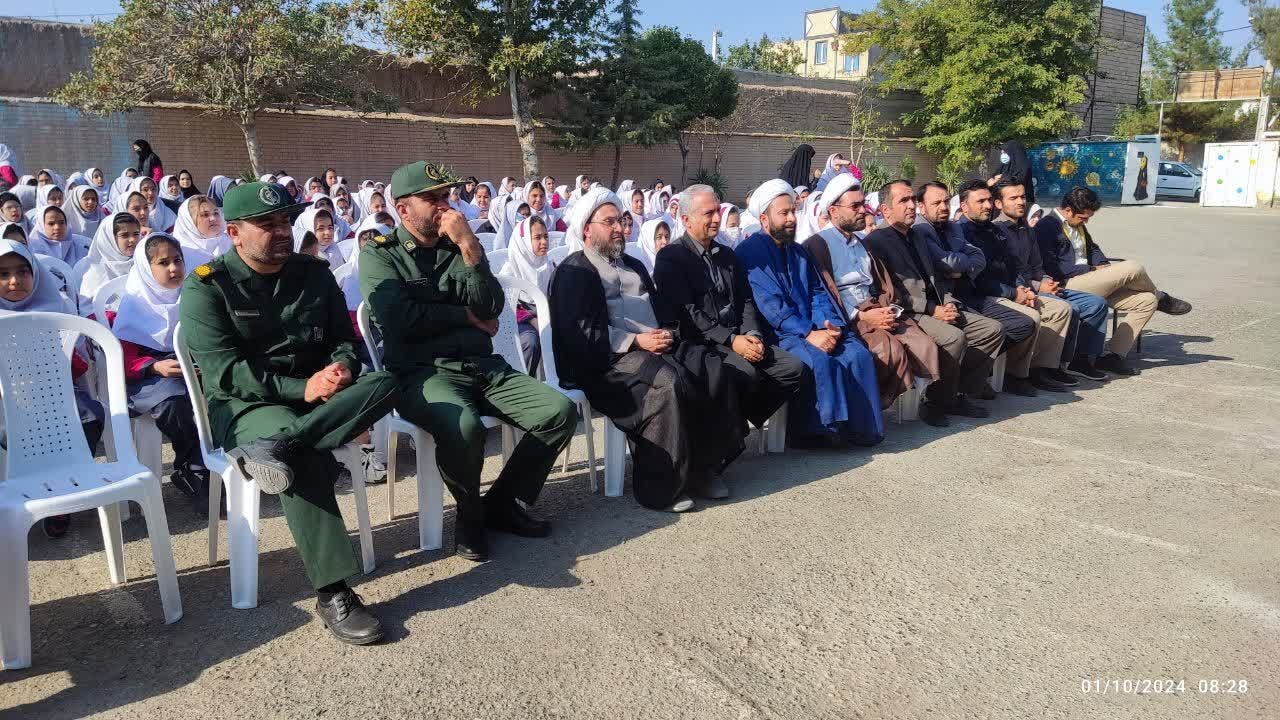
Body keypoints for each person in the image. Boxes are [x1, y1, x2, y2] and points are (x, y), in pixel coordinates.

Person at [180, 181, 399, 645]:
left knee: (387, 383)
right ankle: (333, 591)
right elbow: (225, 373)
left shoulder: (313, 273)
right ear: (235, 233)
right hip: (248, 407)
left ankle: (278, 448)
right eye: (267, 225)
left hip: (317, 396)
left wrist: (340, 367)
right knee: (304, 463)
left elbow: (345, 337)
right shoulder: (206, 287)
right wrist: (304, 387)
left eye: (284, 222)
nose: (280, 232)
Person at [360, 161, 576, 561]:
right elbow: (398, 320)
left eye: (446, 196)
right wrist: (463, 315)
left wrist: (471, 248)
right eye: (433, 198)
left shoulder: (460, 245)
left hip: (482, 366)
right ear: (402, 208)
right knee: (464, 426)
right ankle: (469, 516)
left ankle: (501, 503)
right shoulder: (380, 255)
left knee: (559, 411)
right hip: (423, 373)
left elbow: (493, 305)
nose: (445, 206)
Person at [550, 189, 738, 511]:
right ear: (586, 229)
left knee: (711, 366)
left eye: (620, 221)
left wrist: (667, 332)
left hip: (655, 346)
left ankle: (703, 469)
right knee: (668, 381)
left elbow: (661, 308)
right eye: (609, 222)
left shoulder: (635, 265)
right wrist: (637, 341)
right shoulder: (574, 272)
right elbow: (582, 335)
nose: (619, 228)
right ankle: (661, 486)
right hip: (606, 363)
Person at [653, 184, 808, 496]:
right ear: (685, 219)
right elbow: (689, 316)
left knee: (793, 369)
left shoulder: (727, 255)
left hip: (737, 339)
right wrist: (731, 341)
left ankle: (732, 427)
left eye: (717, 211)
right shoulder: (672, 258)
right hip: (696, 344)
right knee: (741, 373)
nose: (715, 219)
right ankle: (708, 464)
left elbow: (746, 302)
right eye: (707, 213)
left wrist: (750, 334)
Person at [736, 180, 884, 447]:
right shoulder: (750, 253)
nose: (792, 218)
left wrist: (829, 325)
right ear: (764, 219)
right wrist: (808, 333)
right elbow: (771, 307)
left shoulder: (798, 251)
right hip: (779, 333)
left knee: (856, 353)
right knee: (818, 359)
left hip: (813, 327)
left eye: (793, 211)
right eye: (784, 213)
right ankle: (816, 431)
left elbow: (817, 292)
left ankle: (860, 429)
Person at [862, 181, 1003, 425]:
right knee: (954, 338)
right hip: (909, 312)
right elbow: (890, 293)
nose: (911, 206)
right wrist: (932, 309)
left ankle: (958, 391)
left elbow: (937, 277)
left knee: (992, 330)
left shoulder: (918, 234)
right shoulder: (877, 241)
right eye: (903, 201)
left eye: (911, 200)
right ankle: (935, 402)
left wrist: (948, 303)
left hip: (939, 304)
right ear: (885, 211)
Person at [802, 173, 942, 410]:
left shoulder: (862, 242)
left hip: (876, 308)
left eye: (863, 204)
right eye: (855, 206)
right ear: (834, 211)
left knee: (923, 344)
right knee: (890, 348)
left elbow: (882, 285)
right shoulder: (817, 245)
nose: (862, 211)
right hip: (846, 317)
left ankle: (916, 406)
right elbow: (823, 295)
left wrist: (886, 310)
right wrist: (862, 316)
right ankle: (871, 410)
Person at [0, 239, 106, 537]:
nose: (14, 281)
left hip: (56, 392)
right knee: (17, 432)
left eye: (23, 271)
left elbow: (74, 362)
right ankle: (34, 494)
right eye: (3, 273)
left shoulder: (54, 306)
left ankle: (61, 497)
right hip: (8, 403)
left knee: (90, 415)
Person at [1035, 186, 1192, 377]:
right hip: (1068, 283)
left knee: (1147, 301)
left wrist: (1103, 265)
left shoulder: (1077, 224)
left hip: (1092, 282)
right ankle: (1161, 296)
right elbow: (1053, 268)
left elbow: (1092, 249)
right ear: (1068, 210)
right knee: (1133, 267)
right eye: (1084, 217)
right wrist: (1093, 270)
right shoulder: (1046, 226)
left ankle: (1112, 356)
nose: (1086, 221)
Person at [111, 232, 210, 513]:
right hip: (148, 378)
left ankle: (209, 466)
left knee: (216, 394)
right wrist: (155, 366)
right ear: (146, 267)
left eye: (178, 260)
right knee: (175, 402)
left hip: (189, 366)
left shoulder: (192, 293)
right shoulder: (134, 303)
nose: (174, 268)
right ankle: (193, 467)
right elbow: (123, 357)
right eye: (163, 262)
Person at [952, 179, 1073, 395]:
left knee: (1061, 309)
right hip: (985, 295)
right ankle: (1011, 374)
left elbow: (1013, 266)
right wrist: (1013, 293)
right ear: (964, 207)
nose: (988, 206)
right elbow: (978, 280)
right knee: (1029, 318)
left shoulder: (993, 231)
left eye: (989, 200)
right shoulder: (961, 234)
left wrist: (1023, 289)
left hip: (1009, 290)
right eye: (981, 201)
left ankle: (1038, 369)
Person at [993, 183, 1109, 383]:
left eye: (1022, 196)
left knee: (1097, 304)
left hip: (1042, 285)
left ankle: (1076, 362)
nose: (1020, 201)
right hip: (1020, 290)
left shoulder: (1027, 229)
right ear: (998, 203)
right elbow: (1009, 272)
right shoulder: (997, 231)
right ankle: (1042, 368)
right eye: (1013, 198)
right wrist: (1039, 287)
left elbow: (1039, 265)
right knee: (1067, 308)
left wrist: (1046, 281)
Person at [498, 215, 554, 373]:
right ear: (524, 241)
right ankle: (524, 381)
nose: (544, 242)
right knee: (530, 341)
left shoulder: (549, 266)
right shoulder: (510, 270)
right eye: (537, 237)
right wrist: (532, 320)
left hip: (546, 316)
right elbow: (506, 305)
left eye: (545, 236)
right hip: (519, 321)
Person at [173, 194, 232, 265]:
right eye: (205, 215)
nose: (213, 218)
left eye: (216, 213)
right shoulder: (180, 258)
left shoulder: (233, 242)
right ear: (189, 222)